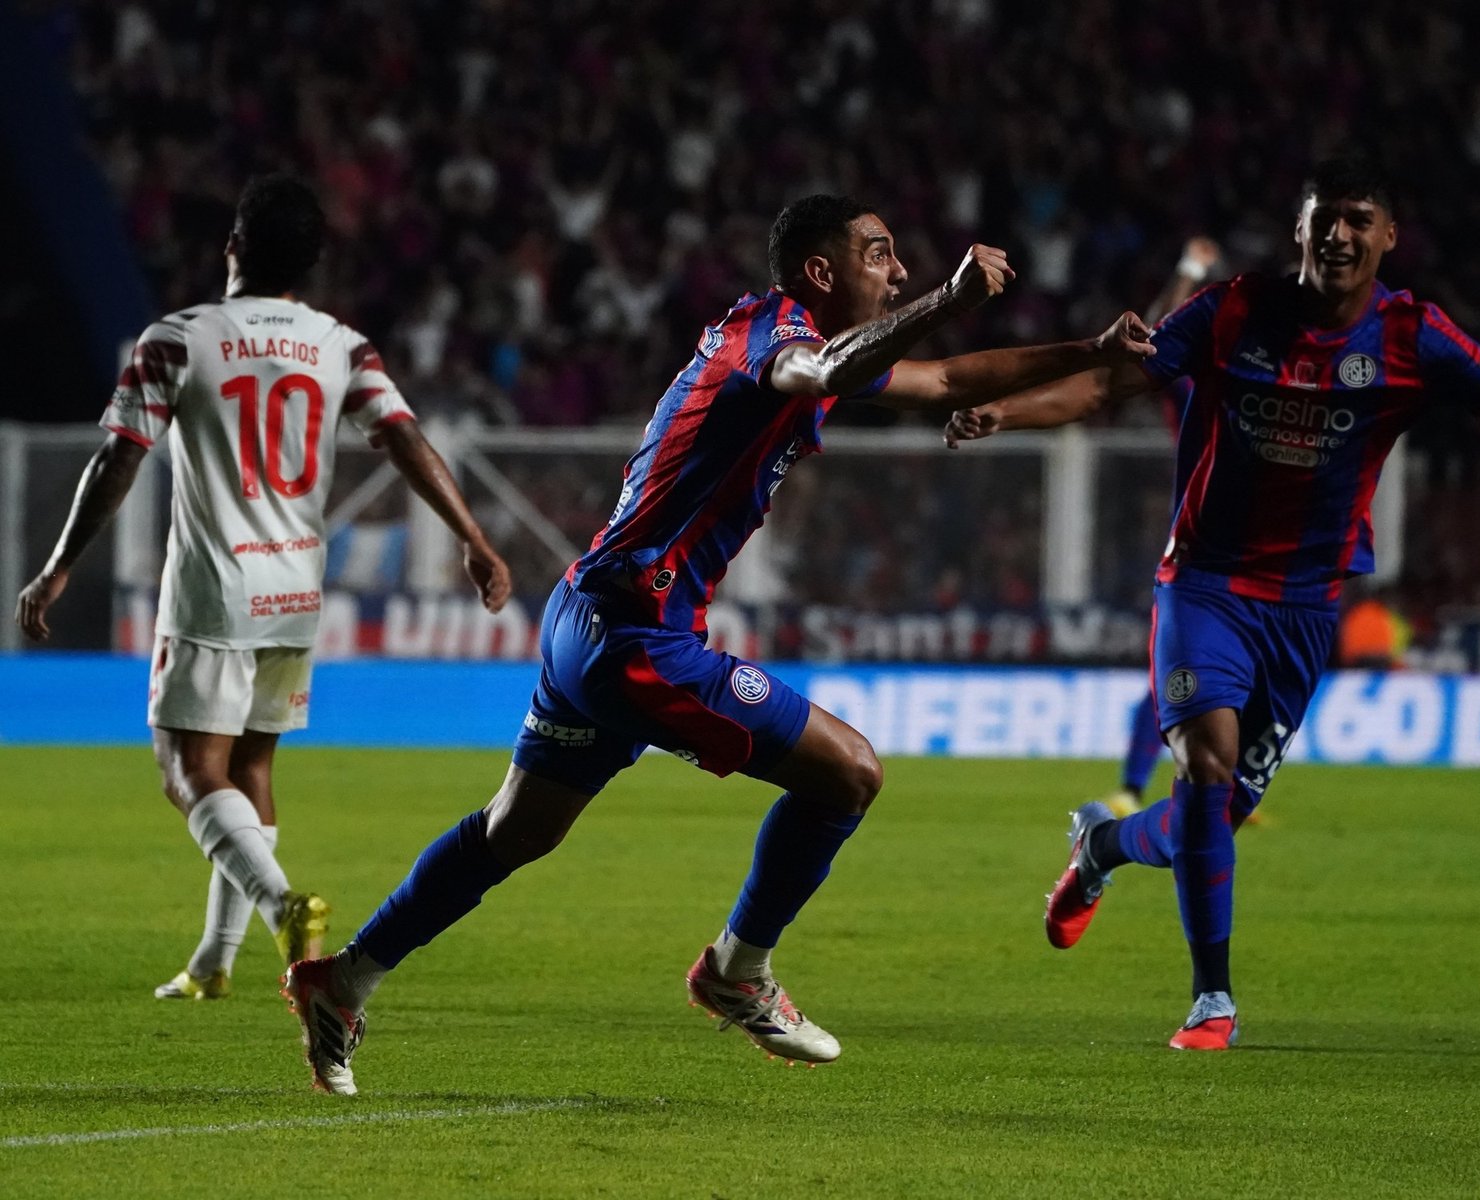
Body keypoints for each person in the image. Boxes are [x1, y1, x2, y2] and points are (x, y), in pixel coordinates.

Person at [282, 193, 1155, 1095]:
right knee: (849, 773)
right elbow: (820, 371)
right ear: (821, 271)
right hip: (634, 640)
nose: (897, 272)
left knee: (517, 830)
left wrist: (1088, 350)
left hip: (590, 617)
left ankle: (342, 980)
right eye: (880, 255)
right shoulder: (771, 339)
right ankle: (738, 970)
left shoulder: (801, 344)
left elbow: (940, 383)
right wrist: (947, 297)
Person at [945, 152, 1480, 1050]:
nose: (1340, 234)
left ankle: (1102, 848)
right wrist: (1003, 413)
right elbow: (1109, 382)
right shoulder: (1231, 311)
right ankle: (1211, 998)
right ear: (1300, 229)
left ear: (1388, 237)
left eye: (1359, 220)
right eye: (1325, 217)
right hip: (1206, 583)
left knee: (1209, 819)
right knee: (1207, 767)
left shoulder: (1414, 336)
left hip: (1306, 604)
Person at [14, 175, 511, 1002]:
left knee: (187, 770)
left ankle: (281, 903)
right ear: (310, 265)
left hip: (214, 585)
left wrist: (60, 562)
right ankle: (214, 961)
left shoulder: (178, 338)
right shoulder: (340, 344)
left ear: (232, 247)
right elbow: (405, 438)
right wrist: (475, 538)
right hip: (296, 590)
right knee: (251, 764)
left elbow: (121, 455)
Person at [1100, 235, 1223, 819]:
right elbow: (1154, 337)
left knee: (1232, 681)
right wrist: (1190, 269)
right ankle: (1132, 787)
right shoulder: (1194, 385)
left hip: (1265, 551)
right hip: (1200, 549)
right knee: (1172, 677)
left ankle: (1225, 786)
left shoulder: (1273, 385)